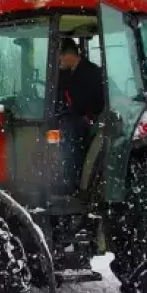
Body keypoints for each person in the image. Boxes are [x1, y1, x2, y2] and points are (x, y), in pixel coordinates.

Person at [55, 33, 105, 193]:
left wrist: (74, 113)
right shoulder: (65, 73)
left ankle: (71, 181)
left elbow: (92, 102)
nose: (59, 61)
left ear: (70, 54)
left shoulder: (92, 73)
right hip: (72, 115)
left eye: (60, 56)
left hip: (90, 118)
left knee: (67, 130)